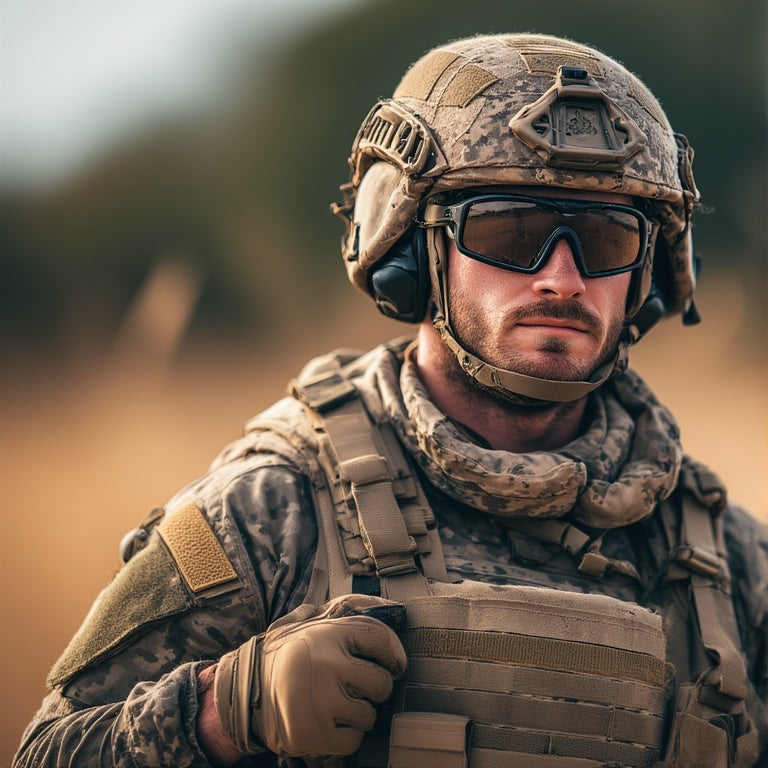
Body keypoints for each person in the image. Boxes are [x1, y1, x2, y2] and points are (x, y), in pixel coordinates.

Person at [13, 33, 768, 768]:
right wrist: (225, 710)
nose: (562, 280)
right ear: (412, 253)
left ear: (648, 276)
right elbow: (49, 749)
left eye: (605, 243)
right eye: (512, 232)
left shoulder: (725, 561)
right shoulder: (273, 510)